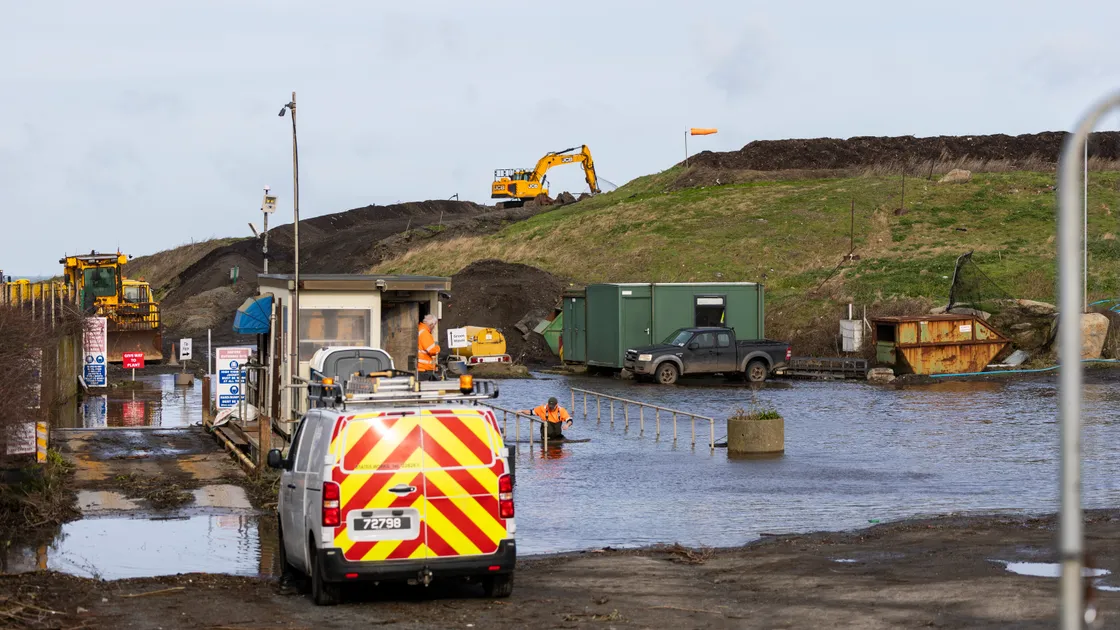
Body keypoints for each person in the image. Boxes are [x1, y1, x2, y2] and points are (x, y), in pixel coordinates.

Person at [417, 314, 441, 381]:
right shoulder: (425, 333)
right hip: (424, 369)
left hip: (420, 368)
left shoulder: (419, 329)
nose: (434, 327)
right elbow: (432, 350)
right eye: (434, 325)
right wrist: (438, 348)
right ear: (431, 324)